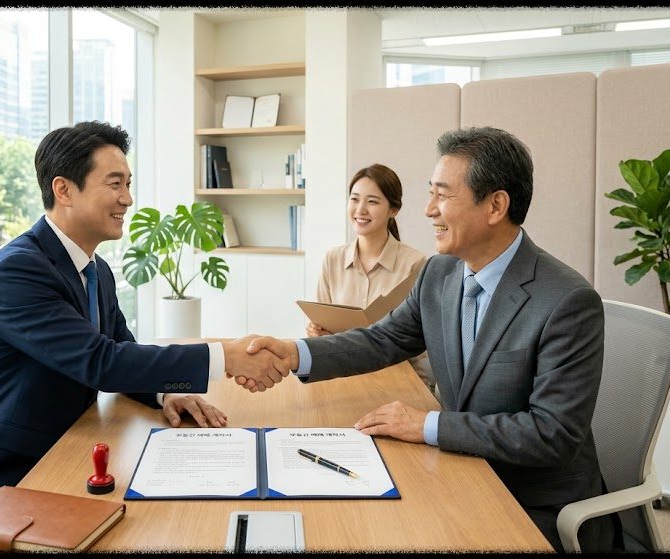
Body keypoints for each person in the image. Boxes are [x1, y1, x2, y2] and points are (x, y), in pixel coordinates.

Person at [243, 126, 616, 553]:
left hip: (530, 500)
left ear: (496, 205)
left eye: (443, 195)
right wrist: (294, 354)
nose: (427, 210)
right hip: (459, 470)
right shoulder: (439, 275)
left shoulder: (567, 301)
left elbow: (551, 434)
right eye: (429, 193)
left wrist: (427, 424)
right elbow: (382, 339)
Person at [0, 120, 289, 525]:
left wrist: (163, 394)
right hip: (6, 476)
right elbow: (102, 362)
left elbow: (122, 350)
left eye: (128, 184)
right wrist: (225, 357)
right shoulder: (18, 273)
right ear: (64, 190)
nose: (128, 199)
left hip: (69, 450)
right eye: (115, 184)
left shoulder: (96, 269)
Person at [305, 163, 430, 387]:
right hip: (341, 376)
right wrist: (316, 333)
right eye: (354, 199)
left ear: (394, 210)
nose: (360, 209)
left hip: (399, 379)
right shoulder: (332, 259)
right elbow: (320, 330)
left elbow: (423, 343)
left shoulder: (415, 264)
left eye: (372, 201)